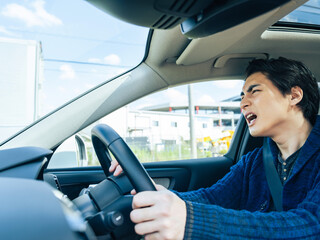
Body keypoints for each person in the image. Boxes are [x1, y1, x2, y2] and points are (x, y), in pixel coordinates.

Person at [109, 57, 320, 239]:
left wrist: (190, 221)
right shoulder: (254, 162)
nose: (243, 104)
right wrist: (164, 196)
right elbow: (213, 198)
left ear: (294, 96)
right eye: (241, 97)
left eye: (254, 91)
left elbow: (311, 225)